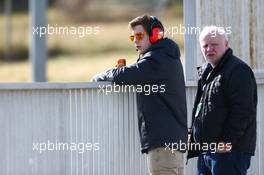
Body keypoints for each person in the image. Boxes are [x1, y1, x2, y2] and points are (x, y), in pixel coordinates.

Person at [92, 15, 188, 175]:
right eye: (133, 37)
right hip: (171, 146)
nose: (135, 40)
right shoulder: (165, 57)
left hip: (162, 148)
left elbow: (121, 76)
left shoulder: (156, 60)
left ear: (155, 34)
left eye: (139, 36)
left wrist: (100, 76)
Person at [187, 26, 257, 175]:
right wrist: (192, 135)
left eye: (214, 44)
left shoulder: (238, 70)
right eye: (205, 45)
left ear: (226, 45)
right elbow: (201, 109)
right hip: (206, 151)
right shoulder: (206, 71)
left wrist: (226, 141)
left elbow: (243, 111)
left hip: (229, 153)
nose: (209, 49)